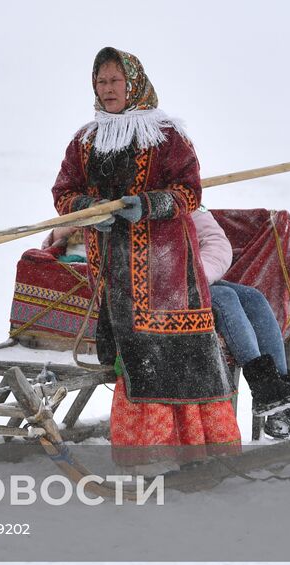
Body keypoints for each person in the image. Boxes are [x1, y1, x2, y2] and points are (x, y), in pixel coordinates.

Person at [51, 47, 239, 463]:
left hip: (169, 272)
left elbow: (190, 192)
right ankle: (143, 454)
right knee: (132, 358)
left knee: (179, 358)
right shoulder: (85, 141)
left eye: (116, 80)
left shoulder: (166, 135)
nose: (108, 88)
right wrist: (85, 210)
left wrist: (150, 205)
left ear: (134, 82)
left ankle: (199, 453)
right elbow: (62, 192)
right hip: (113, 274)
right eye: (101, 81)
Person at [191, 208, 290, 437]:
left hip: (195, 278)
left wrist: (199, 273)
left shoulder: (186, 201)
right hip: (161, 286)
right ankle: (263, 386)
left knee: (253, 297)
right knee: (226, 297)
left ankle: (278, 392)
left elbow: (216, 241)